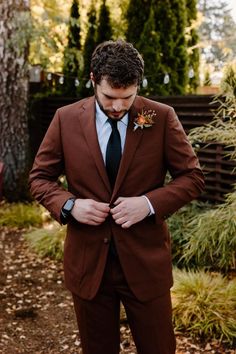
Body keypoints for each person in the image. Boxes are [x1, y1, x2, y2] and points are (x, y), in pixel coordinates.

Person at [29, 39, 205, 354]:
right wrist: (70, 205)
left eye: (128, 97)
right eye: (110, 97)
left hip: (145, 263)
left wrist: (148, 204)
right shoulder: (65, 119)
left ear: (138, 85)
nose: (119, 107)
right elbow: (40, 178)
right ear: (93, 79)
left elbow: (192, 177)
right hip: (88, 266)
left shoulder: (160, 116)